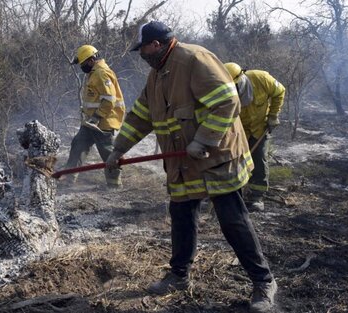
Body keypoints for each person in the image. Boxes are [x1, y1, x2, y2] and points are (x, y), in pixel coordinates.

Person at [106, 21, 277, 313]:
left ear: (157, 44)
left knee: (232, 219)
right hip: (182, 162)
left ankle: (264, 281)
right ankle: (179, 275)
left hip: (217, 157)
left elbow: (227, 101)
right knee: (182, 214)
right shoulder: (157, 75)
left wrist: (204, 139)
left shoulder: (195, 59)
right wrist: (118, 149)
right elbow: (140, 117)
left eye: (143, 48)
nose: (141, 54)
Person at [224, 63, 286, 212]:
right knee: (235, 159)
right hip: (239, 131)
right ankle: (234, 192)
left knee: (259, 158)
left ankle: (256, 196)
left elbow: (280, 92)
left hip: (260, 127)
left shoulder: (261, 78)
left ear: (241, 77)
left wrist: (273, 116)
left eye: (236, 86)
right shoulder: (223, 91)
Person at [64, 45, 125, 187]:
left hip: (103, 122)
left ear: (91, 60)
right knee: (78, 145)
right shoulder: (94, 72)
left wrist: (97, 117)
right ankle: (67, 180)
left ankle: (114, 185)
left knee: (108, 154)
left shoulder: (101, 73)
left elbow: (110, 99)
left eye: (83, 63)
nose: (82, 67)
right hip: (91, 123)